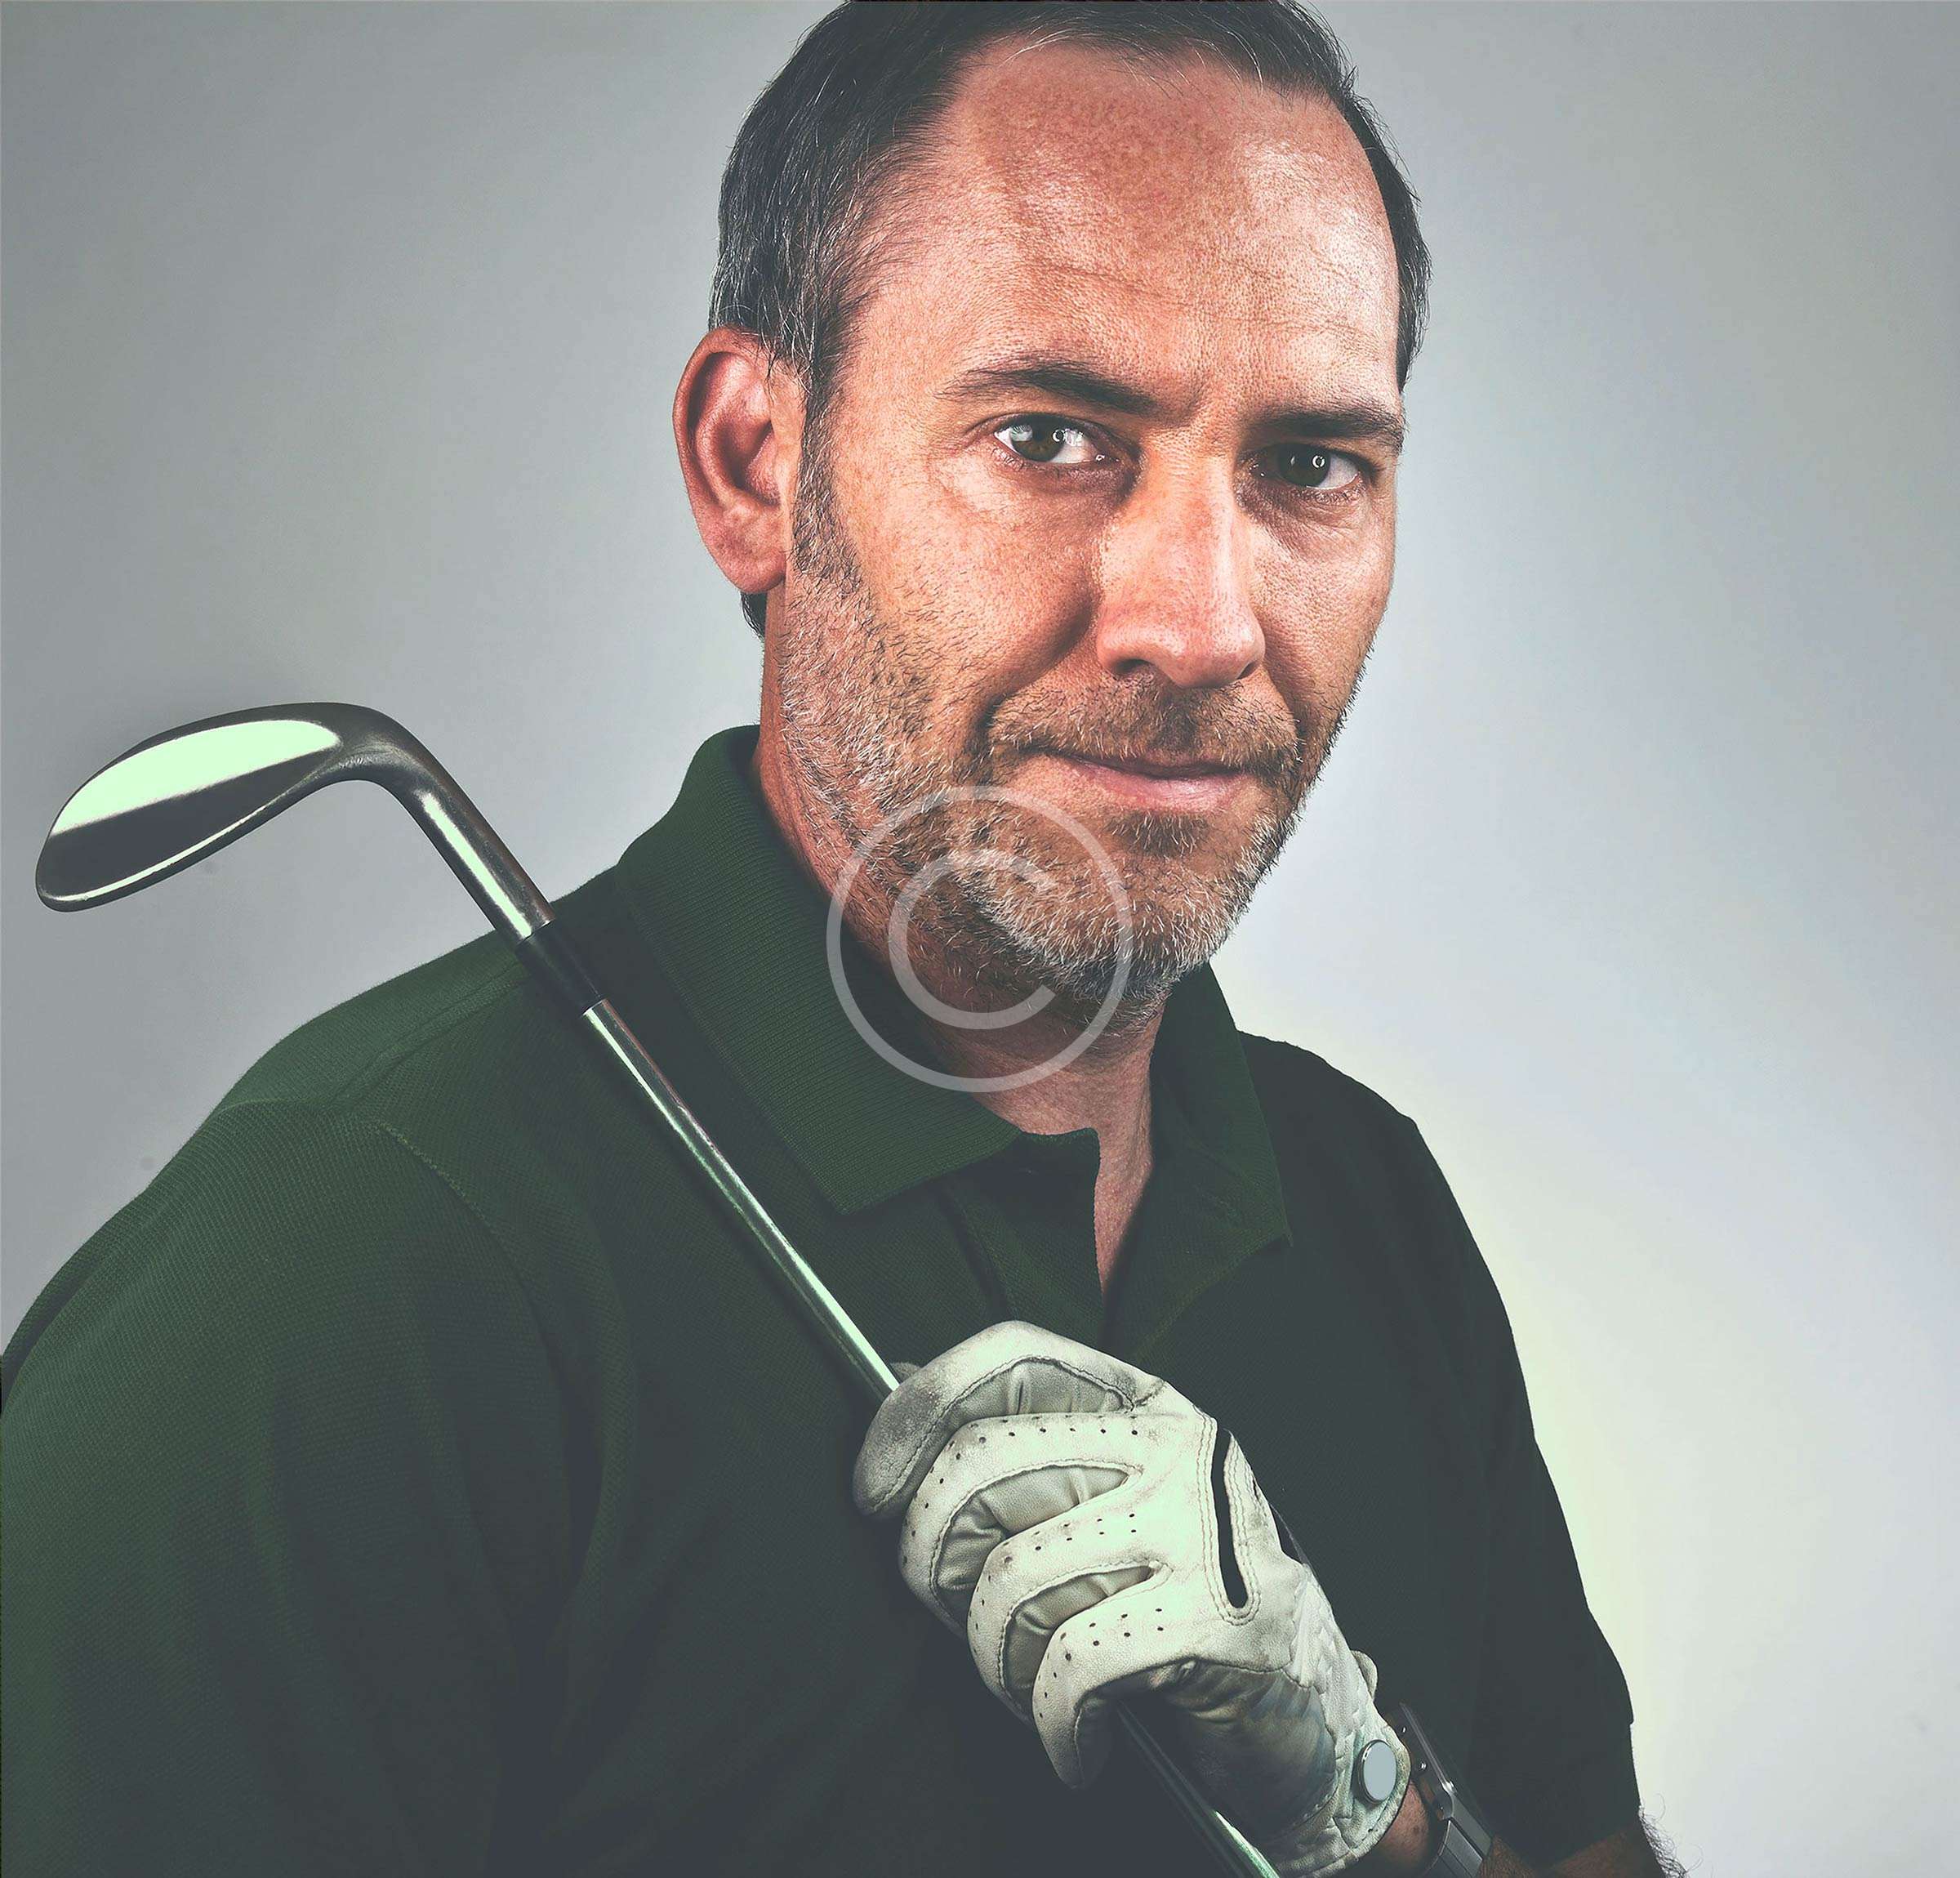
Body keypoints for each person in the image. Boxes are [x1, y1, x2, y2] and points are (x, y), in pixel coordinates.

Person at [2, 7, 1682, 1875]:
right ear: (755, 466)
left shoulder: (1368, 1203)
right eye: (1052, 437)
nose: (1203, 622)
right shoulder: (337, 1279)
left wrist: (1374, 1811)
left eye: (1309, 466)